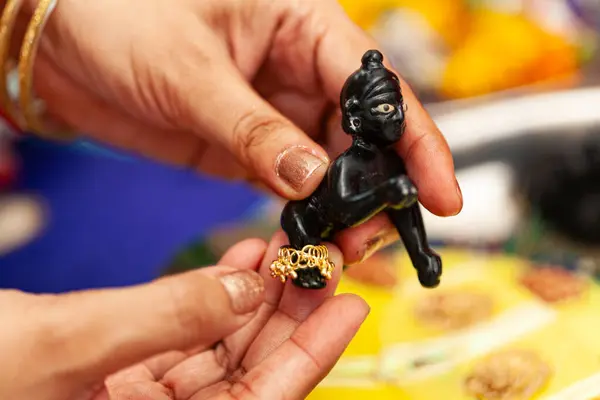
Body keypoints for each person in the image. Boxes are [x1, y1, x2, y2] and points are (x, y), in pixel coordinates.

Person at [1, 0, 462, 398]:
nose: (397, 120)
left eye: (398, 108)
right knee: (304, 253)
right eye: (384, 110)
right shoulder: (349, 166)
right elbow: (343, 209)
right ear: (355, 122)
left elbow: (403, 209)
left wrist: (420, 252)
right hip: (307, 223)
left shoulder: (392, 167)